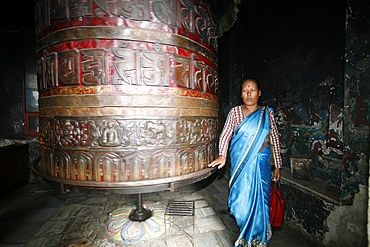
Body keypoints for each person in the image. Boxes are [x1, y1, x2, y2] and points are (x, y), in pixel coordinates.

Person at [208, 77, 282, 247]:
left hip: (261, 164)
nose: (249, 94)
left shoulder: (267, 113)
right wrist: (222, 155)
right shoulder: (234, 112)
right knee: (239, 204)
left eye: (253, 90)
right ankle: (245, 230)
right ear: (241, 94)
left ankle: (258, 238)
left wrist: (278, 165)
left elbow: (275, 139)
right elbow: (226, 134)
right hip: (240, 163)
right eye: (245, 90)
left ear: (259, 93)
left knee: (260, 201)